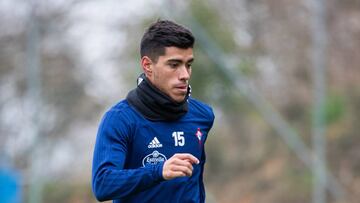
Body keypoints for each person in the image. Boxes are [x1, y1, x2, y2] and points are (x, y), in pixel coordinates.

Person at [92, 19, 215, 203]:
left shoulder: (203, 116)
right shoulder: (120, 119)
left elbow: (195, 185)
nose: (185, 75)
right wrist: (159, 171)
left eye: (188, 64)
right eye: (174, 65)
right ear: (147, 66)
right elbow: (103, 184)